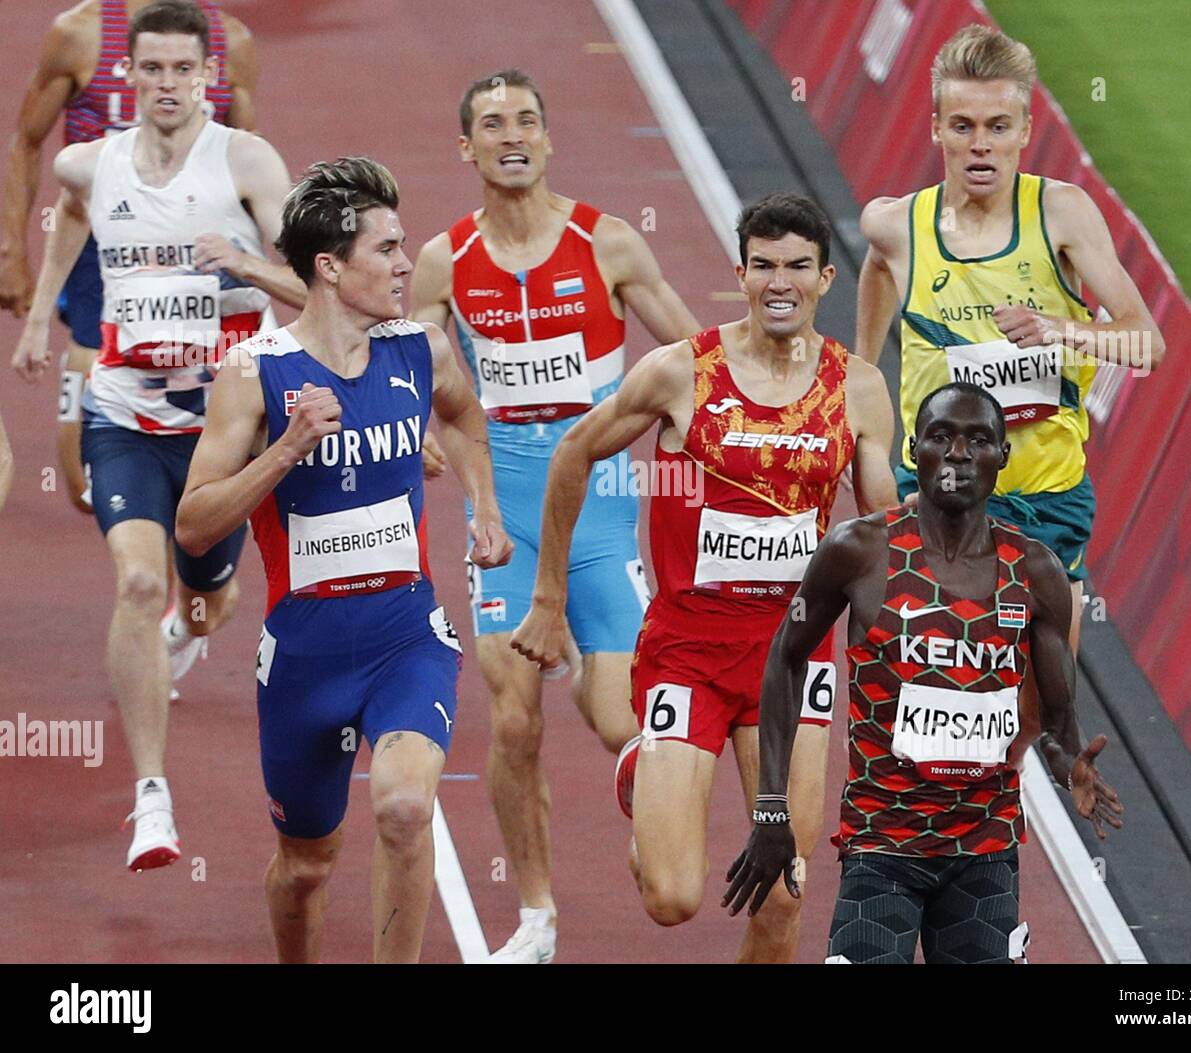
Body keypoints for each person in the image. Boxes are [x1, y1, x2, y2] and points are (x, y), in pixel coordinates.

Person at [512, 193, 897, 962]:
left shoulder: (857, 389)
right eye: (762, 266)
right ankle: (640, 773)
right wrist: (549, 598)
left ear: (826, 277)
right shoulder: (681, 371)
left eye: (796, 267)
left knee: (785, 887)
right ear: (740, 274)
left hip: (794, 657)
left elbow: (878, 529)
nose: (778, 282)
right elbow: (573, 454)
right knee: (673, 898)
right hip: (689, 650)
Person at [176, 156, 510, 964]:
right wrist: (285, 451)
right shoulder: (254, 375)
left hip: (407, 639)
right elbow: (192, 524)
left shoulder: (422, 351)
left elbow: (464, 418)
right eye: (387, 250)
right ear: (330, 266)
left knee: (402, 809)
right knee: (304, 867)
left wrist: (485, 505)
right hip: (305, 658)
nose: (406, 264)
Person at [410, 68, 699, 963]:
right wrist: (421, 431)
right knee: (512, 718)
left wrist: (706, 442)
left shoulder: (608, 243)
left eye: (527, 120)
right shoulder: (443, 262)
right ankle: (535, 913)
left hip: (604, 508)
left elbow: (694, 357)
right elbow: (413, 371)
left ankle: (589, 675)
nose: (511, 134)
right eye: (491, 123)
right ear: (466, 147)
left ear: (548, 138)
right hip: (508, 512)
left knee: (626, 722)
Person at [10, 0, 302, 871]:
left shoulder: (246, 160)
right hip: (125, 412)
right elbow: (67, 212)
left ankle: (196, 618)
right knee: (139, 582)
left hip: (222, 428)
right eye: (153, 70)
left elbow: (303, 277)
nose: (168, 84)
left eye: (184, 69)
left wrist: (243, 263)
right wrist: (37, 318)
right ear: (126, 77)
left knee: (210, 596)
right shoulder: (89, 160)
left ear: (207, 76)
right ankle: (152, 797)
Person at [723, 381, 1124, 963]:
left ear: (1002, 457)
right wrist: (770, 809)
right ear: (915, 450)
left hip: (984, 848)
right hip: (882, 844)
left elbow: (1060, 730)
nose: (959, 453)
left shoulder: (1036, 572)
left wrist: (1070, 770)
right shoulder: (857, 552)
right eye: (942, 436)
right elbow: (785, 658)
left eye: (978, 439)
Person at [854, 24, 1164, 763]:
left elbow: (1145, 342)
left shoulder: (1062, 215)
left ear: (1027, 129)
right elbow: (873, 268)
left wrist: (1063, 330)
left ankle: (988, 836)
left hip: (1047, 500)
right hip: (939, 501)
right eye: (962, 127)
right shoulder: (897, 225)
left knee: (1025, 720)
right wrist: (859, 375)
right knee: (932, 709)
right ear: (936, 129)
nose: (981, 145)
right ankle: (914, 849)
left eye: (999, 126)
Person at [0, 0, 256, 515]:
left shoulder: (231, 41)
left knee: (205, 452)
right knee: (83, 488)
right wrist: (11, 251)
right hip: (107, 252)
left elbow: (247, 165)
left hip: (200, 259)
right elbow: (27, 141)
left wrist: (258, 276)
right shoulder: (80, 32)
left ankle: (172, 575)